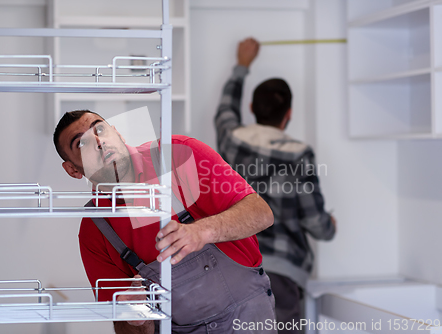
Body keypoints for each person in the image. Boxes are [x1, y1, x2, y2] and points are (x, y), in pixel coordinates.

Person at [53, 109, 277, 334]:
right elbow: (125, 328)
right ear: (72, 169)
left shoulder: (178, 155)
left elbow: (261, 213)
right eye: (82, 143)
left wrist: (201, 231)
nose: (99, 142)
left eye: (100, 129)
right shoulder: (96, 229)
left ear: (118, 133)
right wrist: (136, 317)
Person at [214, 38, 336, 333]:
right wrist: (329, 224)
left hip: (234, 268)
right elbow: (316, 223)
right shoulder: (299, 154)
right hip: (281, 276)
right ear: (289, 115)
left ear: (253, 107)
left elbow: (225, 111)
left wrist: (242, 65)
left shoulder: (232, 140)